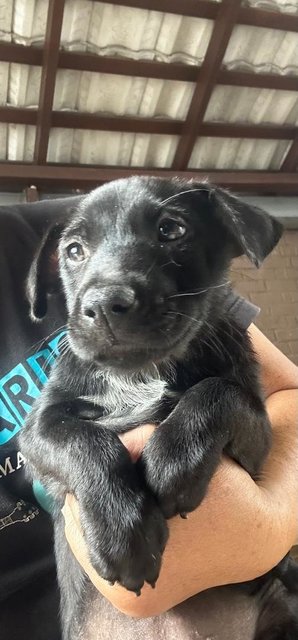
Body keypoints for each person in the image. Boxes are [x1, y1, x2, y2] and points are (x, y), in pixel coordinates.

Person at [0, 195, 297, 640]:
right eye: (76, 251)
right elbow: (43, 434)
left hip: (261, 611)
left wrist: (268, 527)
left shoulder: (96, 211)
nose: (107, 292)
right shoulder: (72, 365)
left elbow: (281, 398)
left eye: (170, 232)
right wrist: (97, 472)